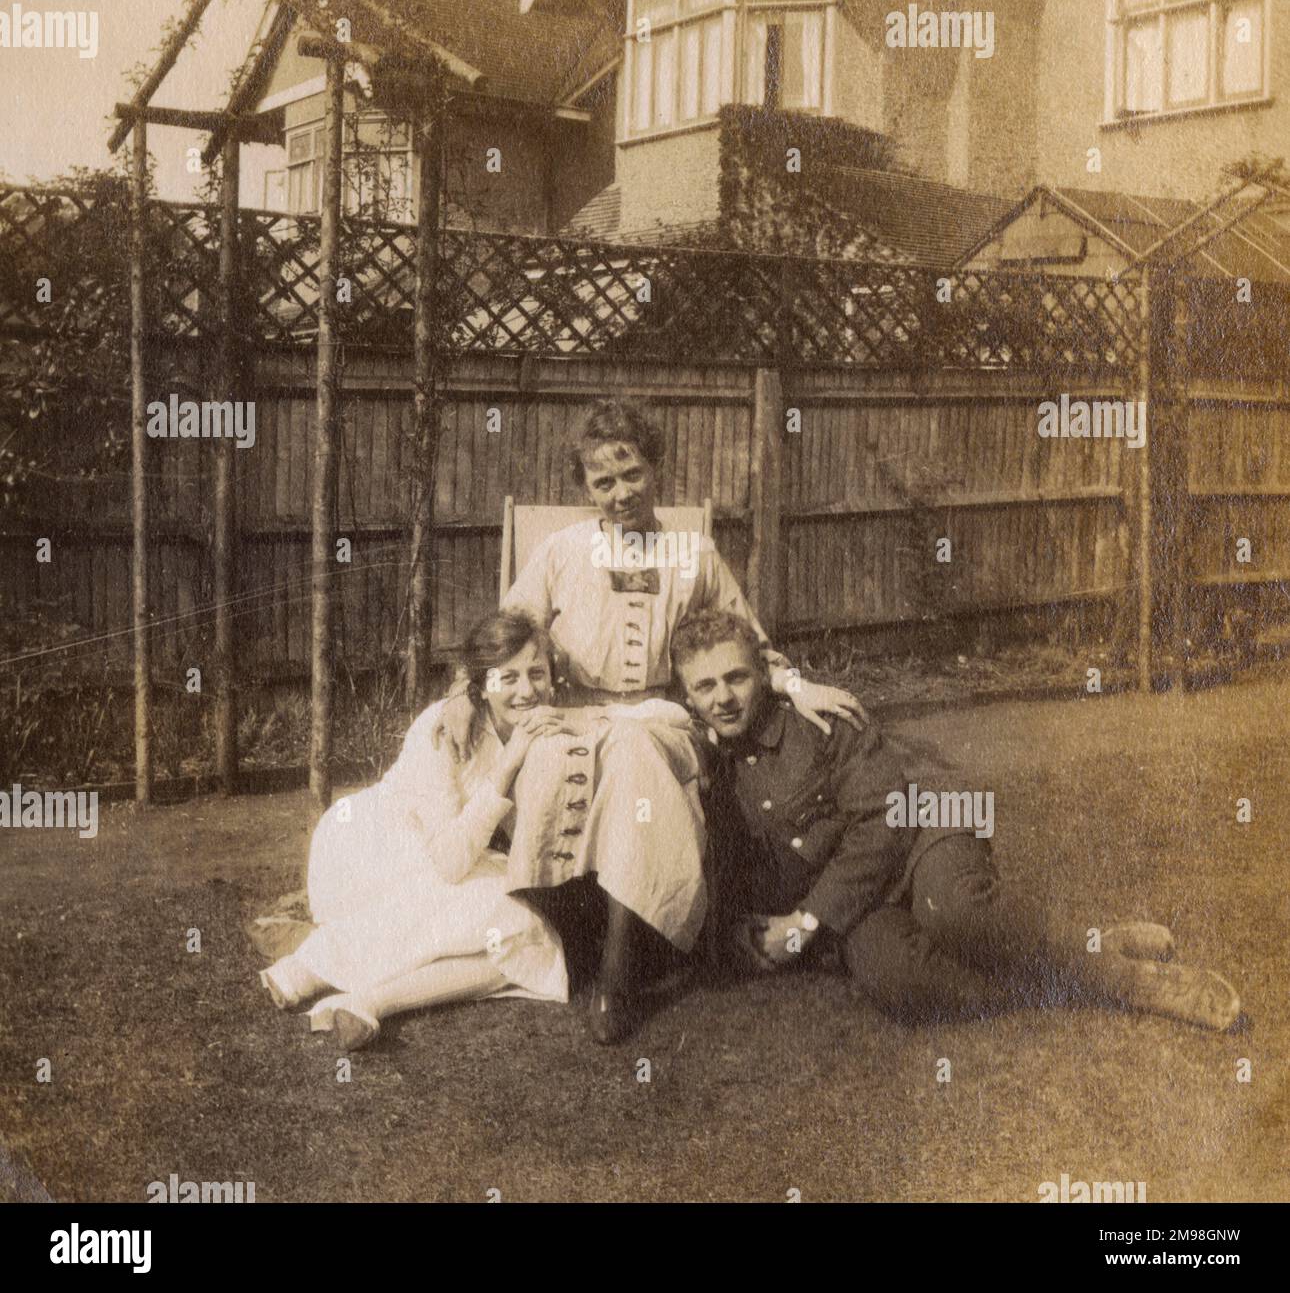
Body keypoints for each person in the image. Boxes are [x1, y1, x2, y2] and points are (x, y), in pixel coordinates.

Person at [430, 399, 866, 1041]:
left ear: (654, 468)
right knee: (547, 755)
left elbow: (745, 640)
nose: (619, 492)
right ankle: (563, 938)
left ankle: (619, 968)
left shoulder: (693, 552)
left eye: (631, 473)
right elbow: (506, 637)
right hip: (576, 711)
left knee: (635, 751)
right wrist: (466, 693)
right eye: (602, 481)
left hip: (663, 714)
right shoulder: (562, 552)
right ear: (583, 488)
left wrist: (796, 685)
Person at [671, 609, 1243, 1032]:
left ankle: (1136, 984)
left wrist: (808, 921)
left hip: (921, 831)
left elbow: (881, 822)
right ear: (688, 697)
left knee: (959, 916)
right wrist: (749, 930)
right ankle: (1087, 950)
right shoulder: (704, 767)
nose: (723, 697)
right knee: (898, 983)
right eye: (706, 685)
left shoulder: (820, 720)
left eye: (736, 677)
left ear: (762, 675)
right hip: (860, 896)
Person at [259, 612, 695, 1051]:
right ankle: (305, 968)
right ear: (482, 685)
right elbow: (449, 860)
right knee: (491, 910)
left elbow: (664, 713)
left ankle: (369, 1002)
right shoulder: (442, 728)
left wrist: (582, 721)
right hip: (376, 848)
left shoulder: (545, 719)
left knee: (526, 931)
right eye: (508, 678)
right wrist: (506, 767)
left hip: (463, 858)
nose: (527, 690)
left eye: (537, 674)